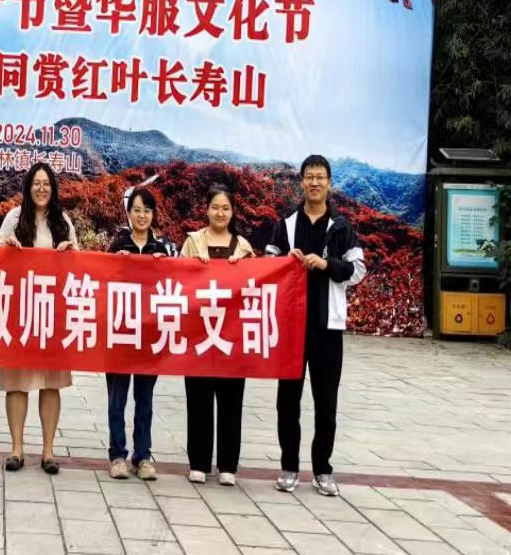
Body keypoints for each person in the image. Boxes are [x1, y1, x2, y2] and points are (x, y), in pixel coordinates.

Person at [266, 155, 365, 497]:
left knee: (326, 401)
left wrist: (326, 264)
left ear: (329, 183)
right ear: (301, 182)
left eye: (320, 177)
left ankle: (323, 470)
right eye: (309, 176)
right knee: (287, 401)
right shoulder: (287, 224)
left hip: (327, 327)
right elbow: (267, 264)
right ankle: (289, 467)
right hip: (291, 326)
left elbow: (358, 270)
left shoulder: (341, 226)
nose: (315, 182)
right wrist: (285, 261)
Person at [0, 162, 78, 475]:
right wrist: (6, 247)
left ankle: (48, 451)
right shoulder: (14, 218)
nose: (41, 189)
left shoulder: (62, 221)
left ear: (53, 189)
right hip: (19, 313)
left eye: (46, 184)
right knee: (17, 383)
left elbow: (79, 265)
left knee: (50, 383)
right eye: (36, 183)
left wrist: (70, 252)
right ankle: (16, 449)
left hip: (52, 313)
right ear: (28, 187)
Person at [180, 184, 256, 486]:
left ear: (232, 212)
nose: (220, 213)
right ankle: (198, 462)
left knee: (231, 400)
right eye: (215, 207)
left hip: (232, 336)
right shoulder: (192, 242)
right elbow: (178, 281)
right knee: (198, 399)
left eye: (226, 208)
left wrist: (243, 270)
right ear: (206, 210)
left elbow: (255, 289)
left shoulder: (244, 247)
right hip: (199, 333)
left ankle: (228, 465)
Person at [106, 187, 172, 481]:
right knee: (117, 399)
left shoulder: (162, 249)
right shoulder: (118, 245)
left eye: (147, 210)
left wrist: (163, 267)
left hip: (149, 337)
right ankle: (117, 455)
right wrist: (115, 264)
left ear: (153, 214)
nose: (141, 215)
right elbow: (102, 281)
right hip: (120, 334)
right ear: (128, 213)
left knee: (145, 399)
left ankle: (143, 456)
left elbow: (173, 287)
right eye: (136, 210)